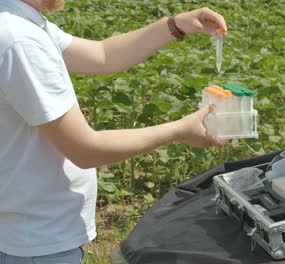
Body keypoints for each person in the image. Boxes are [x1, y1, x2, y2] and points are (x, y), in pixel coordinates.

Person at [0, 0, 229, 262]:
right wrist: (179, 130)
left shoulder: (18, 20)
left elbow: (103, 55)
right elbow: (85, 149)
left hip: (28, 229)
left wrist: (176, 25)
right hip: (34, 241)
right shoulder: (20, 41)